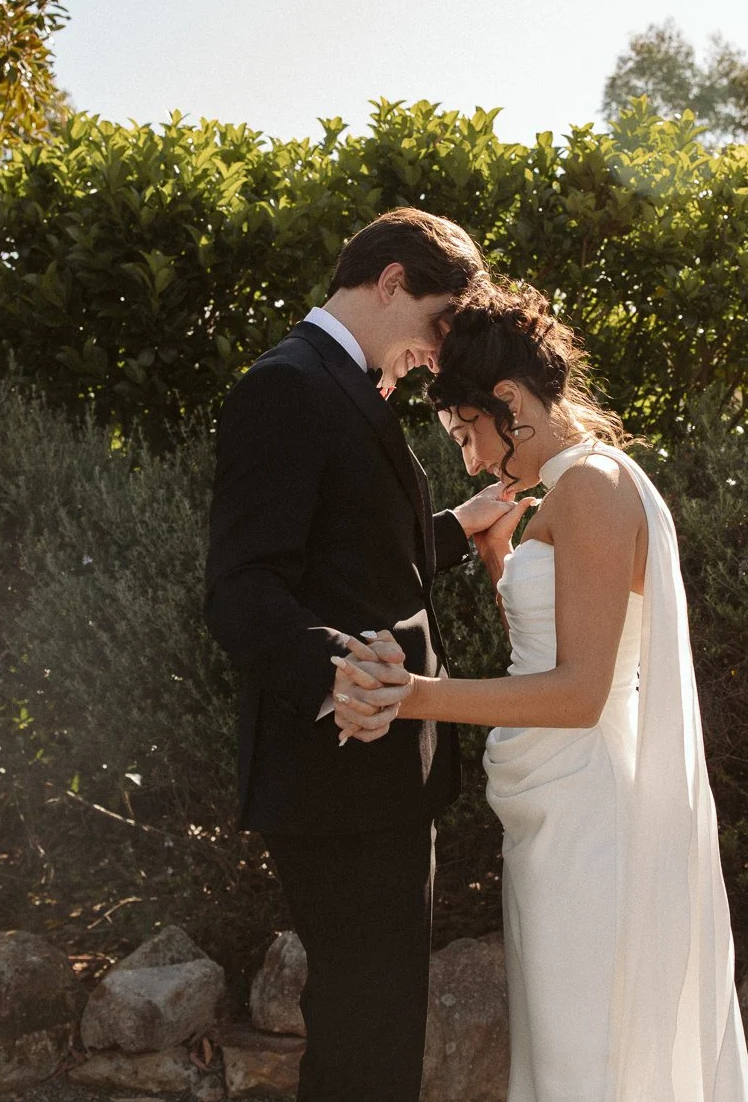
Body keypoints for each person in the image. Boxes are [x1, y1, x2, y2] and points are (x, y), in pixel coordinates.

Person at [336, 281, 748, 1101]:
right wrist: (499, 554)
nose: (474, 458)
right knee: (563, 1041)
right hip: (551, 806)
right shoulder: (555, 493)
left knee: (584, 1051)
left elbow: (578, 693)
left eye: (469, 431)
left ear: (511, 399)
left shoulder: (594, 485)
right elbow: (545, 651)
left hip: (594, 807)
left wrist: (411, 695)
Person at [203, 208, 517, 1102]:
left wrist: (459, 526)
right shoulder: (286, 385)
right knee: (366, 1032)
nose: (440, 351)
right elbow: (241, 586)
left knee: (375, 1024)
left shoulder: (342, 382)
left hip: (377, 768)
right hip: (336, 767)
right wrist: (335, 674)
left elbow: (359, 551)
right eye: (439, 321)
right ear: (388, 282)